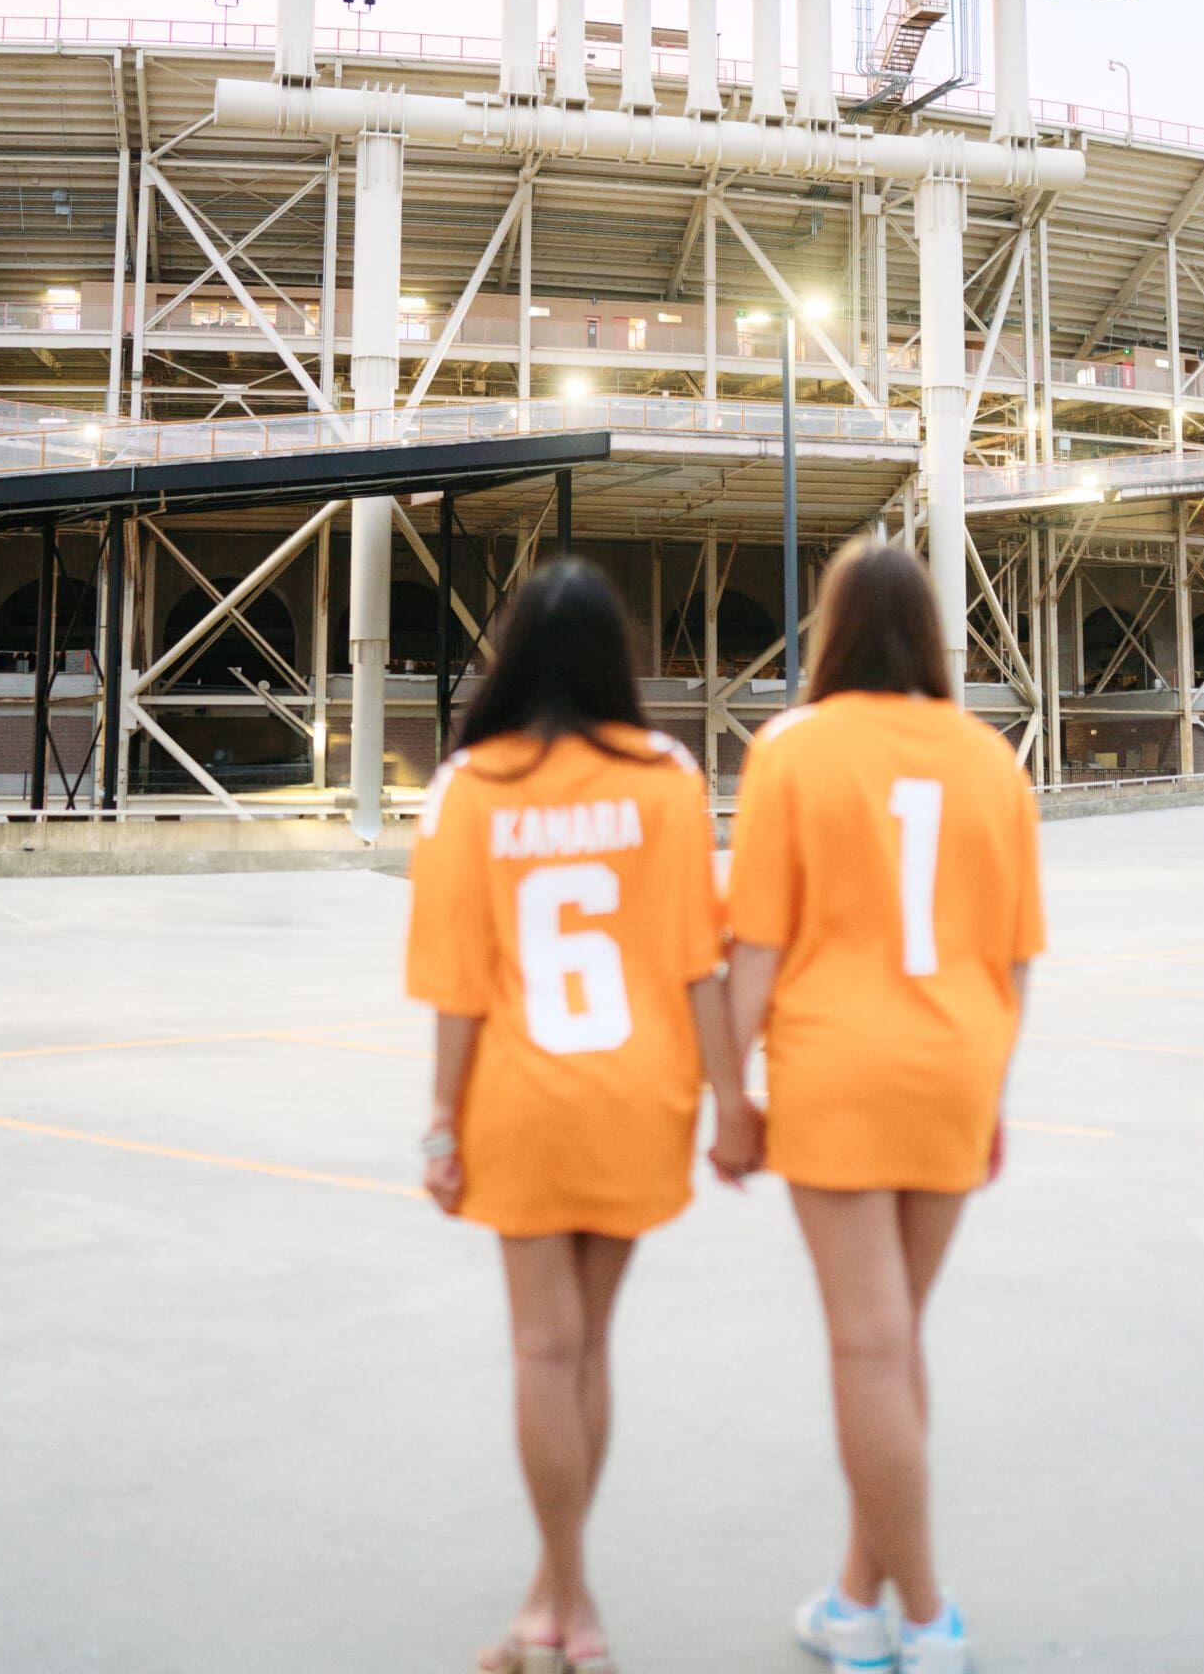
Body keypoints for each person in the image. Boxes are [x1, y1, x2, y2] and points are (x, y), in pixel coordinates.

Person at [407, 559, 762, 1674]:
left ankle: (559, 1604)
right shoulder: (664, 775)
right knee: (590, 1346)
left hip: (521, 1096)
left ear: (511, 654)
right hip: (637, 1093)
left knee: (539, 1348)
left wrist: (439, 1123)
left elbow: (457, 983)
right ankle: (561, 1603)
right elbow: (700, 965)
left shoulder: (467, 786)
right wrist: (731, 1103)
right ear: (618, 655)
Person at [726, 540, 1045, 1674]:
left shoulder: (792, 751)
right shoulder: (990, 758)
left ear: (830, 629)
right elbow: (1014, 962)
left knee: (865, 1347)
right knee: (896, 1342)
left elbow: (753, 953)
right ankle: (854, 1597)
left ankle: (920, 1616)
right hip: (957, 1062)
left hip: (835, 1070)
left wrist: (728, 1096)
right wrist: (993, 1092)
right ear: (932, 637)